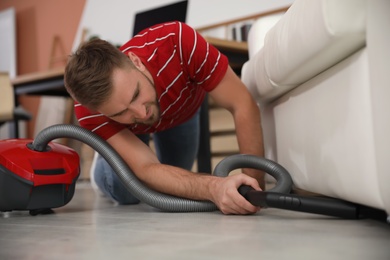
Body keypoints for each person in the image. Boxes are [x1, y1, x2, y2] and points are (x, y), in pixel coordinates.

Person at [64, 21, 265, 215]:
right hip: (127, 131)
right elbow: (146, 168)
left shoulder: (178, 42)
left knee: (171, 185)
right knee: (126, 193)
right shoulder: (89, 109)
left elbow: (242, 105)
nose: (141, 114)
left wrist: (255, 190)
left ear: (136, 62)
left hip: (181, 112)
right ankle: (105, 163)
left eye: (136, 94)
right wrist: (214, 187)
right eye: (120, 113)